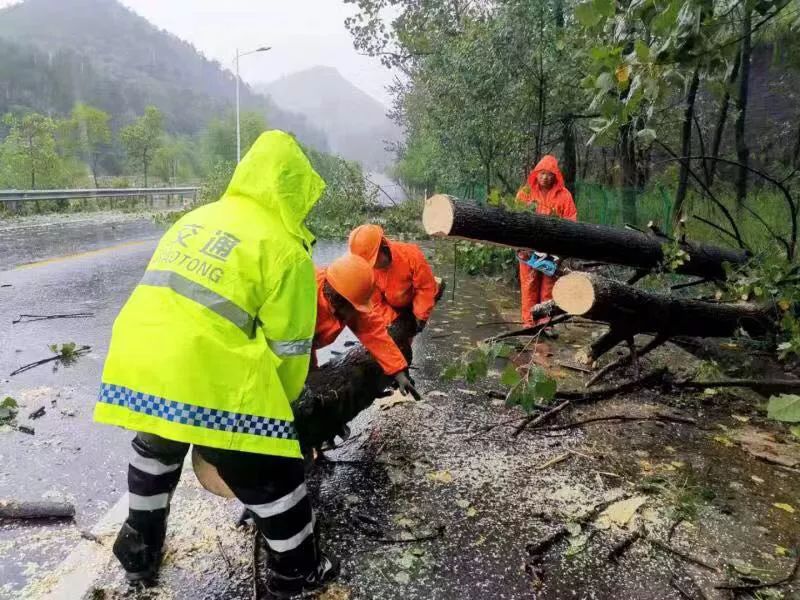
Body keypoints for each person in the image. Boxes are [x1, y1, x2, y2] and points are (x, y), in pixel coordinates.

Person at [94, 130, 338, 597]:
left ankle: (138, 552)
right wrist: (276, 421)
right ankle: (297, 573)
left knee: (156, 449)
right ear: (294, 190)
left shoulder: (200, 216)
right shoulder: (285, 248)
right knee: (276, 477)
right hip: (204, 374)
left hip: (140, 361)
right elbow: (289, 353)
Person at [313, 253, 420, 400]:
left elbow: (374, 333)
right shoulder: (305, 298)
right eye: (353, 307)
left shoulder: (352, 294)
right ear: (337, 298)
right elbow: (295, 347)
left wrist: (398, 371)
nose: (356, 313)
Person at [516, 155, 577, 330]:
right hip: (528, 248)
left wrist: (562, 247)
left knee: (548, 285)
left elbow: (571, 220)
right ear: (536, 174)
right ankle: (528, 321)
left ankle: (545, 322)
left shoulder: (564, 196)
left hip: (552, 249)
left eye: (550, 174)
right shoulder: (525, 193)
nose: (545, 177)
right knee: (529, 284)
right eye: (542, 173)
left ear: (555, 176)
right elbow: (515, 219)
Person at [348, 224, 438, 334]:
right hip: (390, 305)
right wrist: (393, 321)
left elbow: (425, 287)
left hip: (413, 299)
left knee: (417, 323)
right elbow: (375, 303)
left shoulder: (411, 254)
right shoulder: (367, 272)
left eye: (374, 260)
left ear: (383, 245)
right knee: (396, 335)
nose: (373, 266)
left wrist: (421, 315)